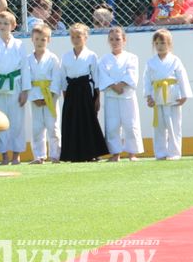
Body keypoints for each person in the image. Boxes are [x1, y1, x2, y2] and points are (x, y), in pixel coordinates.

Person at [59, 23, 108, 162]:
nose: (75, 39)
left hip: (86, 90)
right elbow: (63, 77)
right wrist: (65, 94)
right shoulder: (66, 56)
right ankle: (73, 154)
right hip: (71, 90)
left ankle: (92, 152)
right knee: (72, 122)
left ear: (85, 37)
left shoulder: (91, 55)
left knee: (88, 121)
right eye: (73, 37)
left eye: (78, 36)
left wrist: (97, 97)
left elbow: (96, 78)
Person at [0, 11, 30, 165]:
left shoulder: (19, 44)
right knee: (0, 121)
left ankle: (16, 155)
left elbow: (25, 68)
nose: (3, 26)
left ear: (13, 26)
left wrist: (25, 90)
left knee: (17, 122)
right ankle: (4, 155)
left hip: (16, 85)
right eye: (0, 23)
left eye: (6, 23)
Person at [143, 29, 192, 160]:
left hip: (173, 95)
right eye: (157, 43)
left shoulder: (175, 60)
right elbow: (146, 80)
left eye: (163, 43)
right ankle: (160, 153)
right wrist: (148, 96)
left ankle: (174, 153)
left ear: (169, 44)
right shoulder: (150, 62)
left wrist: (184, 94)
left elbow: (182, 77)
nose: (159, 46)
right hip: (157, 94)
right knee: (158, 127)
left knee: (174, 125)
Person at [98, 27, 143, 161]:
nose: (115, 42)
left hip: (127, 95)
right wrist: (113, 86)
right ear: (108, 41)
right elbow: (103, 76)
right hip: (111, 95)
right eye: (111, 39)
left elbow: (131, 74)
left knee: (131, 124)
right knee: (112, 125)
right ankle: (115, 153)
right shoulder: (104, 59)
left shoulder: (132, 57)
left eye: (118, 39)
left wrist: (121, 85)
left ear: (124, 40)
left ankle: (132, 153)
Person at [27, 24, 62, 164]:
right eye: (37, 39)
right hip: (35, 97)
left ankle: (56, 155)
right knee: (37, 128)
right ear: (32, 40)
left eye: (43, 39)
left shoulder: (53, 58)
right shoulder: (28, 59)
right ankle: (39, 156)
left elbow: (57, 79)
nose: (40, 42)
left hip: (50, 96)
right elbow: (26, 79)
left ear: (49, 41)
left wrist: (51, 96)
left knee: (53, 126)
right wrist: (35, 97)